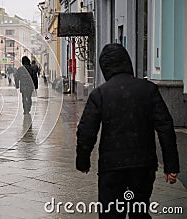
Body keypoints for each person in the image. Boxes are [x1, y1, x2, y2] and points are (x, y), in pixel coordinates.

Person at [76, 43, 179, 218]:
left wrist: (83, 161)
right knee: (139, 211)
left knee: (111, 213)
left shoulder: (100, 94)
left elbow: (86, 131)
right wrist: (171, 166)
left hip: (112, 167)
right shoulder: (148, 89)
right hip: (143, 165)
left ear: (105, 68)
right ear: (127, 62)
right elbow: (165, 127)